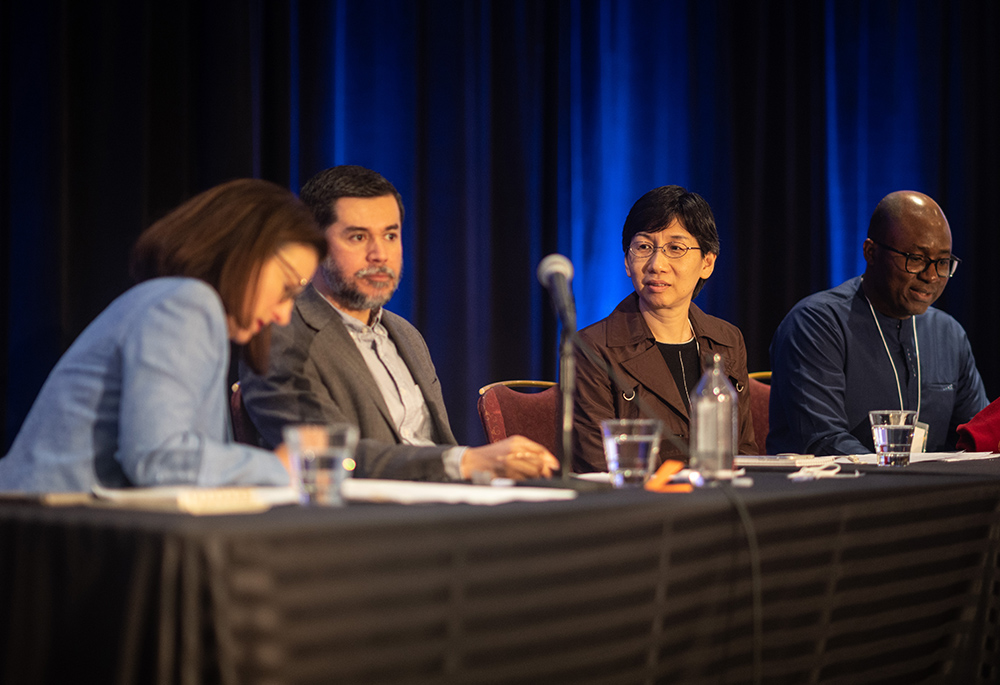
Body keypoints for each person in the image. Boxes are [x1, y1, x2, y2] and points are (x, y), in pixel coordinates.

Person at [0, 179, 326, 492]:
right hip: (47, 531)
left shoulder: (173, 300)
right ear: (245, 252)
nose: (283, 316)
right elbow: (159, 458)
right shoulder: (186, 303)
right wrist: (281, 467)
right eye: (287, 289)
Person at [239, 165, 558, 481]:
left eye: (390, 235)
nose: (379, 254)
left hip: (447, 507)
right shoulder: (280, 336)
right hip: (363, 522)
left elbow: (436, 445)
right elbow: (329, 454)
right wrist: (466, 462)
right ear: (312, 243)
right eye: (358, 236)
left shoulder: (406, 335)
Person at [768, 190, 987, 455]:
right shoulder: (817, 324)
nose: (931, 276)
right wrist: (907, 485)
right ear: (871, 252)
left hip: (931, 492)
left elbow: (978, 436)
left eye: (942, 262)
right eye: (916, 259)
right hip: (840, 493)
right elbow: (824, 442)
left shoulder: (949, 335)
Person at [572, 185, 756, 471]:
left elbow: (744, 454)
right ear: (626, 261)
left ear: (707, 263)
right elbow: (599, 466)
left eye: (675, 248)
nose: (657, 264)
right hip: (640, 509)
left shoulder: (727, 340)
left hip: (722, 505)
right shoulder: (592, 348)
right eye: (644, 247)